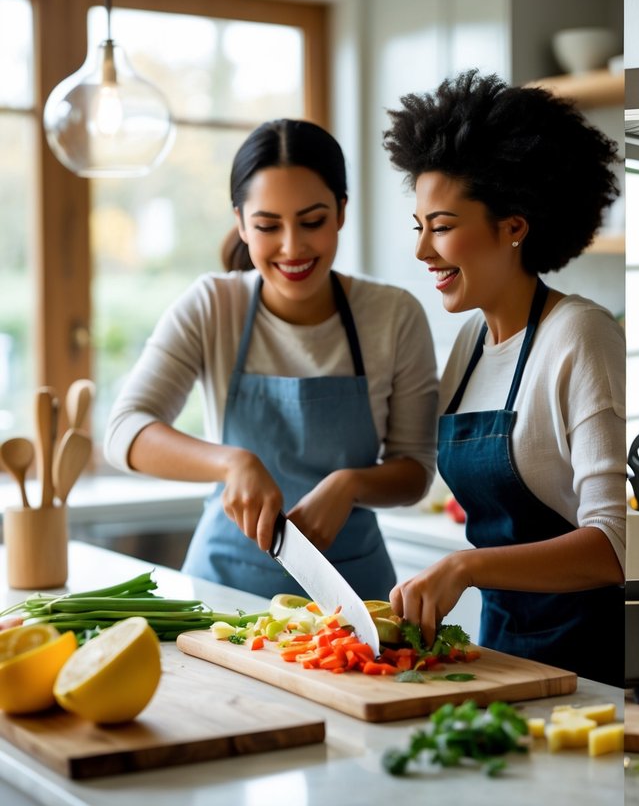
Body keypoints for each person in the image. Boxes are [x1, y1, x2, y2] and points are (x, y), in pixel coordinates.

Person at [105, 119, 439, 600]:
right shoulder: (212, 305)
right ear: (240, 222)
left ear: (342, 211)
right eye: (267, 226)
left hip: (351, 597)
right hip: (222, 593)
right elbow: (124, 431)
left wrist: (350, 485)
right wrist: (230, 463)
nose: (292, 247)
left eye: (312, 221)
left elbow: (414, 471)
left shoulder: (393, 315)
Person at [381, 70, 625, 686]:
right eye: (420, 227)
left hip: (592, 663)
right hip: (504, 656)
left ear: (514, 226)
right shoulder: (469, 341)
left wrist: (467, 566)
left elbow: (615, 546)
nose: (422, 252)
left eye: (441, 226)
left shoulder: (580, 335)